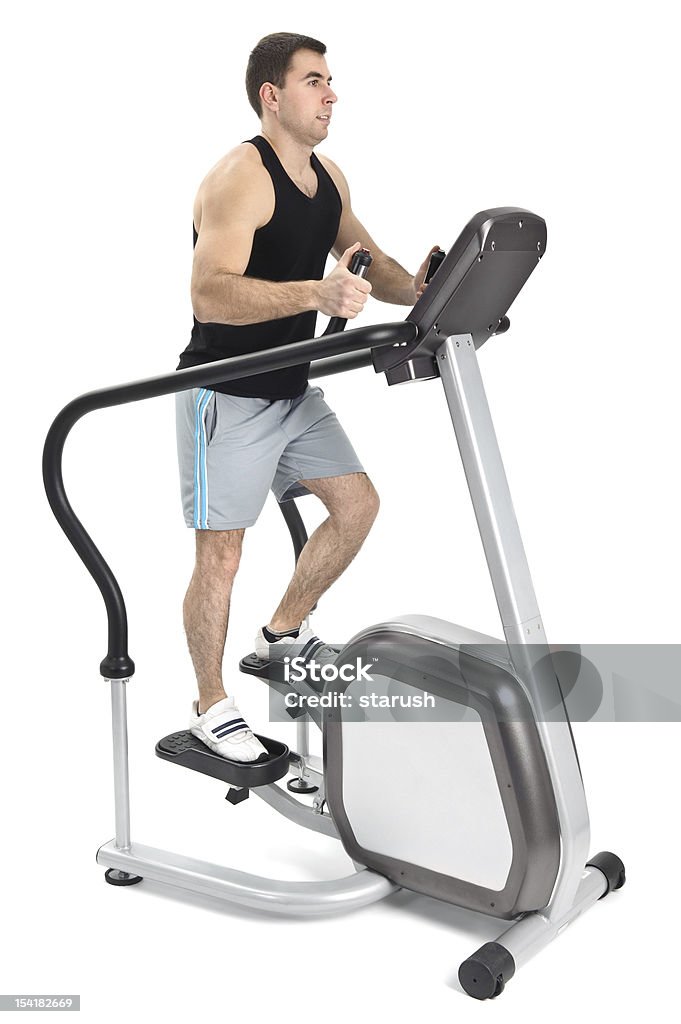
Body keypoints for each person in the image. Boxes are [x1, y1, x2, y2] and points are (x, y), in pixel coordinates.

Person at [175, 31, 437, 762]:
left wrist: (419, 290)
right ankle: (210, 704)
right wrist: (316, 292)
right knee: (221, 556)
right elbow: (209, 293)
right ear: (273, 95)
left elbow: (371, 262)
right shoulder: (239, 178)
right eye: (314, 81)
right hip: (226, 395)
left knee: (357, 506)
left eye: (329, 80)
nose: (330, 93)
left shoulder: (329, 178)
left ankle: (281, 635)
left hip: (292, 390)